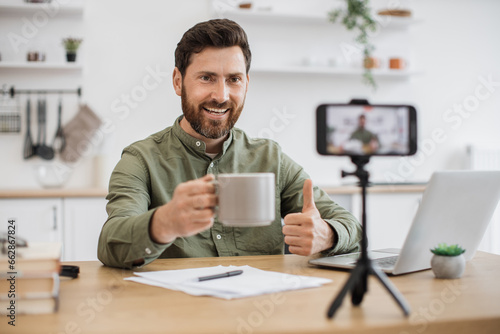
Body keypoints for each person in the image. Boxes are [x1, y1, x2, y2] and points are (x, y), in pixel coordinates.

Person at [98, 19, 361, 269]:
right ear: (178, 82)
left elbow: (350, 225)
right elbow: (111, 245)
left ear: (246, 83)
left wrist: (327, 235)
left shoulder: (271, 158)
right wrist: (164, 223)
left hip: (260, 305)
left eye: (233, 79)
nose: (221, 96)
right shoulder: (141, 159)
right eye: (206, 78)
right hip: (179, 311)